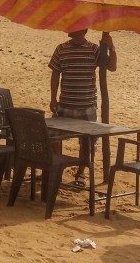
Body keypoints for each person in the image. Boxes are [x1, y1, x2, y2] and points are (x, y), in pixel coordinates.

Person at [49, 29, 117, 186]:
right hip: (65, 103)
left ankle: (81, 173)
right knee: (53, 137)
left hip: (86, 105)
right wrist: (53, 98)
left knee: (87, 142)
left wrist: (111, 47)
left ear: (83, 30)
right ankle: (56, 168)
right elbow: (55, 74)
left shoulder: (93, 49)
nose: (68, 28)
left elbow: (112, 67)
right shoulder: (61, 49)